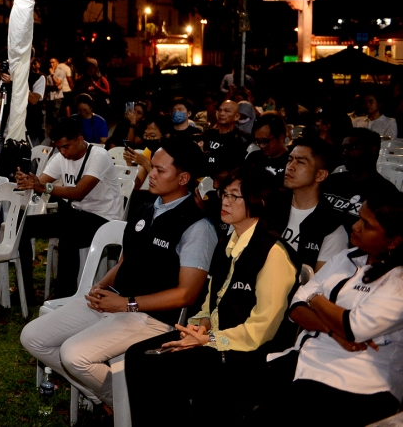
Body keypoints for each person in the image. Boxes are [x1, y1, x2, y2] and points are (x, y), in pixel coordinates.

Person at [20, 138, 216, 414]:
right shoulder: (144, 208)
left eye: (159, 170)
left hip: (151, 317)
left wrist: (127, 304)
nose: (151, 174)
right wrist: (99, 287)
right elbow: (125, 262)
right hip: (116, 301)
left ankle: (120, 402)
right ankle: (110, 397)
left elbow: (187, 294)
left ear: (183, 178)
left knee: (73, 354)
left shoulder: (196, 226)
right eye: (152, 167)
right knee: (33, 337)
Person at [125, 168, 297, 426]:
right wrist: (200, 327)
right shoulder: (227, 242)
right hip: (213, 339)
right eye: (224, 194)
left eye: (235, 196)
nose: (225, 201)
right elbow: (210, 303)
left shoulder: (273, 254)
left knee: (164, 367)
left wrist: (208, 340)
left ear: (259, 202)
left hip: (250, 354)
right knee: (138, 355)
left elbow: (262, 329)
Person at [253, 194, 403, 427]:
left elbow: (353, 328)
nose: (355, 226)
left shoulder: (398, 280)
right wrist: (334, 331)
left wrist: (315, 298)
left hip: (359, 379)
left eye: (366, 225)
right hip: (306, 358)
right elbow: (296, 307)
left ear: (393, 241)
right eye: (358, 218)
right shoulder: (345, 257)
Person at [14, 118, 124, 302]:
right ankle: (25, 292)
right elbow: (41, 181)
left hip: (104, 219)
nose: (63, 152)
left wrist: (44, 187)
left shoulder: (98, 157)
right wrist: (27, 181)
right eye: (59, 148)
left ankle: (64, 297)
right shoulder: (61, 157)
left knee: (69, 234)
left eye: (66, 146)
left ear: (80, 139)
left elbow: (78, 192)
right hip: (75, 215)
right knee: (22, 226)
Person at [267, 138, 349, 271]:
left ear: (321, 175)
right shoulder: (271, 205)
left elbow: (320, 280)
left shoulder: (332, 227)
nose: (290, 167)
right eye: (290, 159)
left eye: (300, 162)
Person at [323, 127, 399, 224]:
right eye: (343, 148)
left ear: (372, 149)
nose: (345, 152)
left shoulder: (386, 193)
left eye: (351, 147)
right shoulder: (332, 180)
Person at [245, 112, 291, 188]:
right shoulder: (253, 158)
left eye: (265, 141)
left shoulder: (291, 162)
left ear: (281, 138)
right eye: (257, 142)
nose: (261, 146)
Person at [203, 99, 248, 169]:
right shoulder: (208, 133)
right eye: (220, 110)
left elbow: (236, 168)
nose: (221, 113)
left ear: (237, 116)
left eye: (227, 111)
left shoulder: (240, 139)